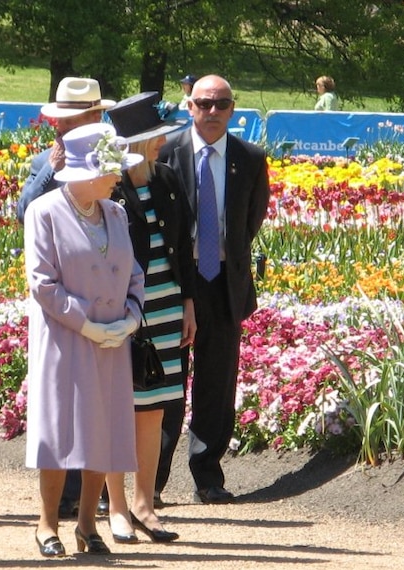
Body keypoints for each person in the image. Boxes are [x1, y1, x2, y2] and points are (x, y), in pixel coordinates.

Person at [25, 122, 145, 558]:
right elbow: (42, 283)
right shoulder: (45, 211)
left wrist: (130, 318)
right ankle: (46, 524)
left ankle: (87, 525)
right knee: (58, 431)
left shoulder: (115, 212)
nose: (119, 178)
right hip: (66, 338)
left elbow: (134, 273)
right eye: (112, 170)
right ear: (86, 171)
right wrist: (86, 324)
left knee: (104, 428)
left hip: (112, 339)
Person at [159, 75, 270, 504]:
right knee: (168, 381)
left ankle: (208, 475)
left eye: (221, 104)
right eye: (204, 104)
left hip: (224, 281)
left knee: (217, 382)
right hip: (173, 283)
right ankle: (153, 480)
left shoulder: (250, 157)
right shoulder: (167, 152)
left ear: (233, 107)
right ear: (189, 106)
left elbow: (249, 222)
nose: (212, 112)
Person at [104, 92, 195, 543]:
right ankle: (116, 507)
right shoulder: (109, 185)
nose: (163, 143)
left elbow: (185, 246)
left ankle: (144, 502)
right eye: (155, 137)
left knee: (156, 404)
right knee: (120, 406)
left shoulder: (166, 179)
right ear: (136, 142)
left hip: (167, 306)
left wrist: (188, 303)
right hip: (124, 311)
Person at [16, 77, 116, 223]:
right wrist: (51, 167)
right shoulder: (43, 162)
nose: (60, 128)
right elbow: (23, 213)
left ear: (96, 118)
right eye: (59, 121)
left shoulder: (114, 160)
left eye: (69, 121)